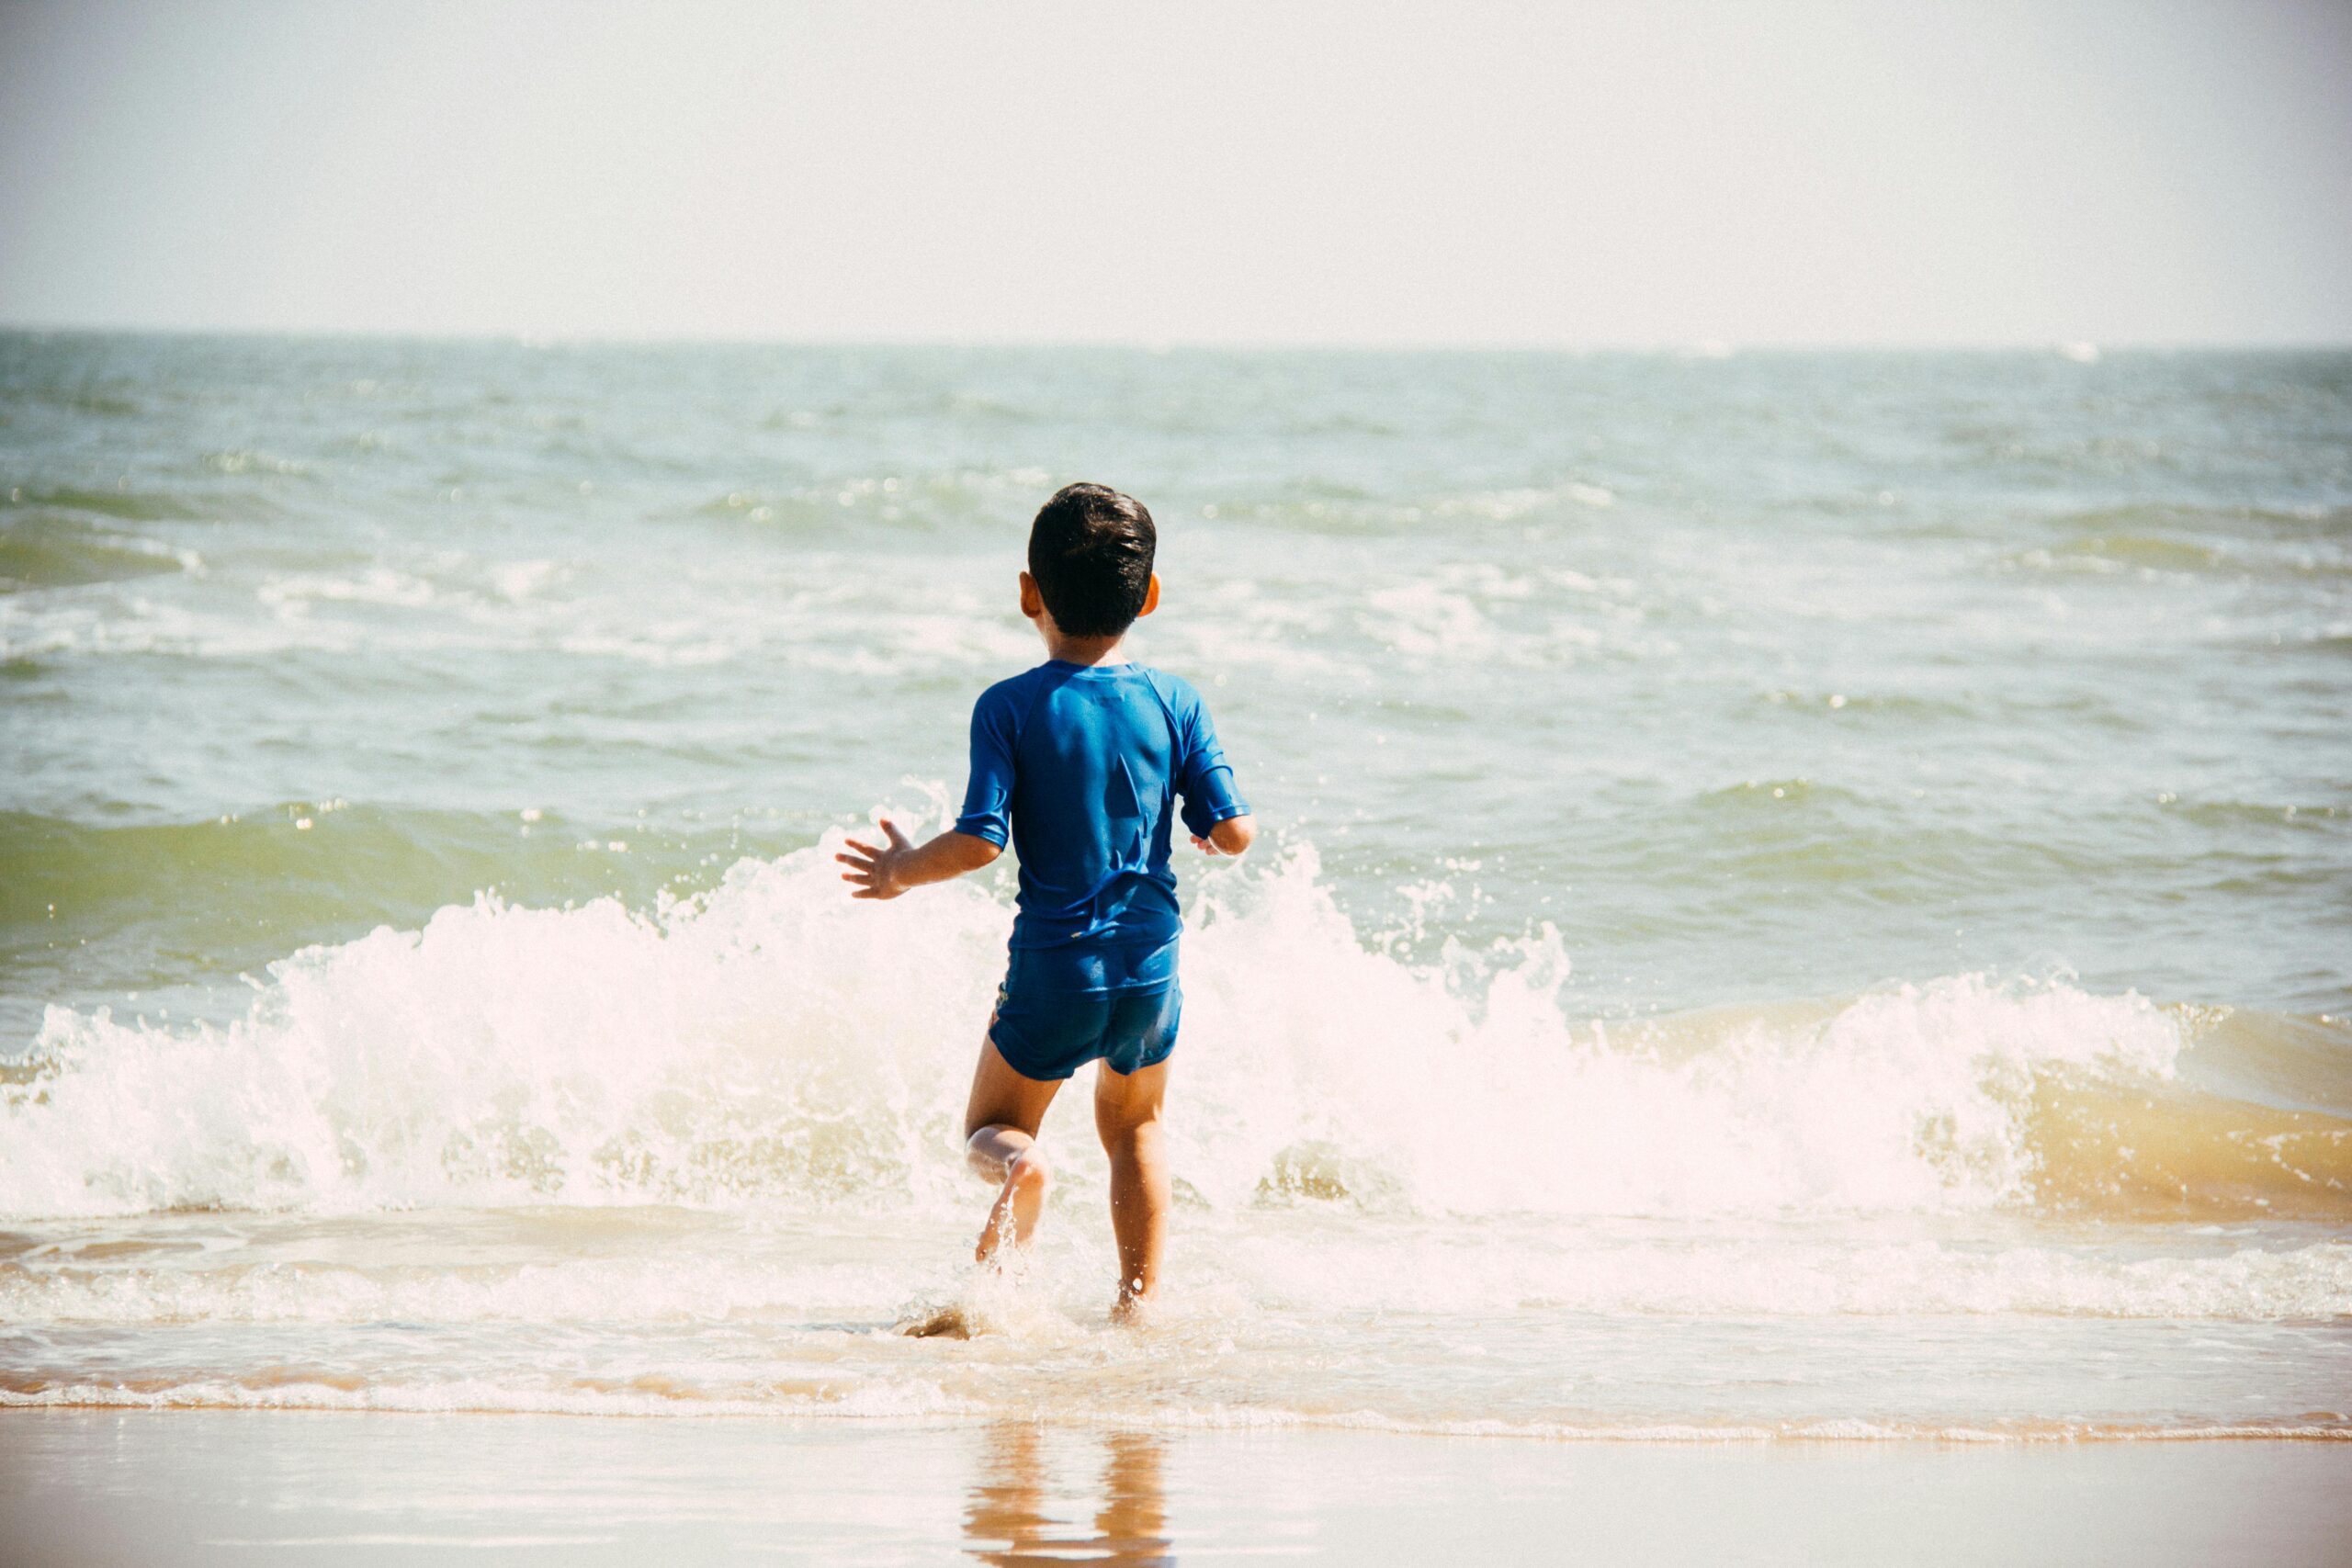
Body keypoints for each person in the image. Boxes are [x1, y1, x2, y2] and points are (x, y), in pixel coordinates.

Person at [837, 482, 1254, 1321]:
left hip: (1055, 969)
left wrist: (901, 869)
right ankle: (1138, 1309)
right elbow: (1235, 830)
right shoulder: (1178, 702)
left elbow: (983, 840)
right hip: (1150, 965)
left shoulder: (1010, 706)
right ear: (1152, 595)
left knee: (991, 1131)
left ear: (1028, 592)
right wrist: (1207, 834)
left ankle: (1020, 1179)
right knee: (1135, 1127)